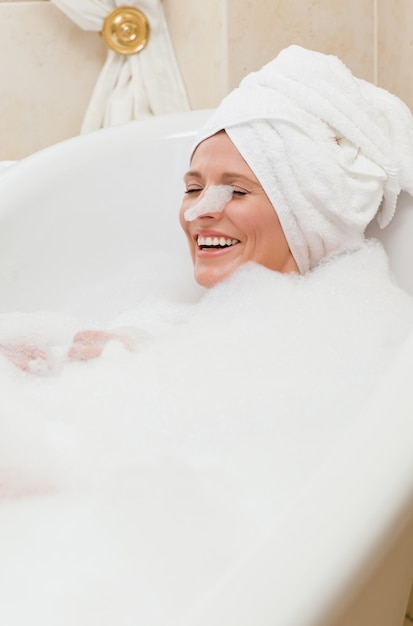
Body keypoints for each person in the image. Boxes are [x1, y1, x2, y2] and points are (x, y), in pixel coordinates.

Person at [2, 44, 413, 368]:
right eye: (194, 188)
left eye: (237, 191)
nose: (199, 211)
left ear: (308, 218)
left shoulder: (333, 343)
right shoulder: (199, 329)